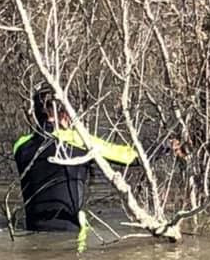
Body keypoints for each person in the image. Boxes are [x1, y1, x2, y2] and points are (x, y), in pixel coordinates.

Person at [13, 85, 137, 233]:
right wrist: (166, 148)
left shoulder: (20, 146)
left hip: (32, 230)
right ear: (64, 112)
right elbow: (130, 158)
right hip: (72, 235)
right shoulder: (78, 140)